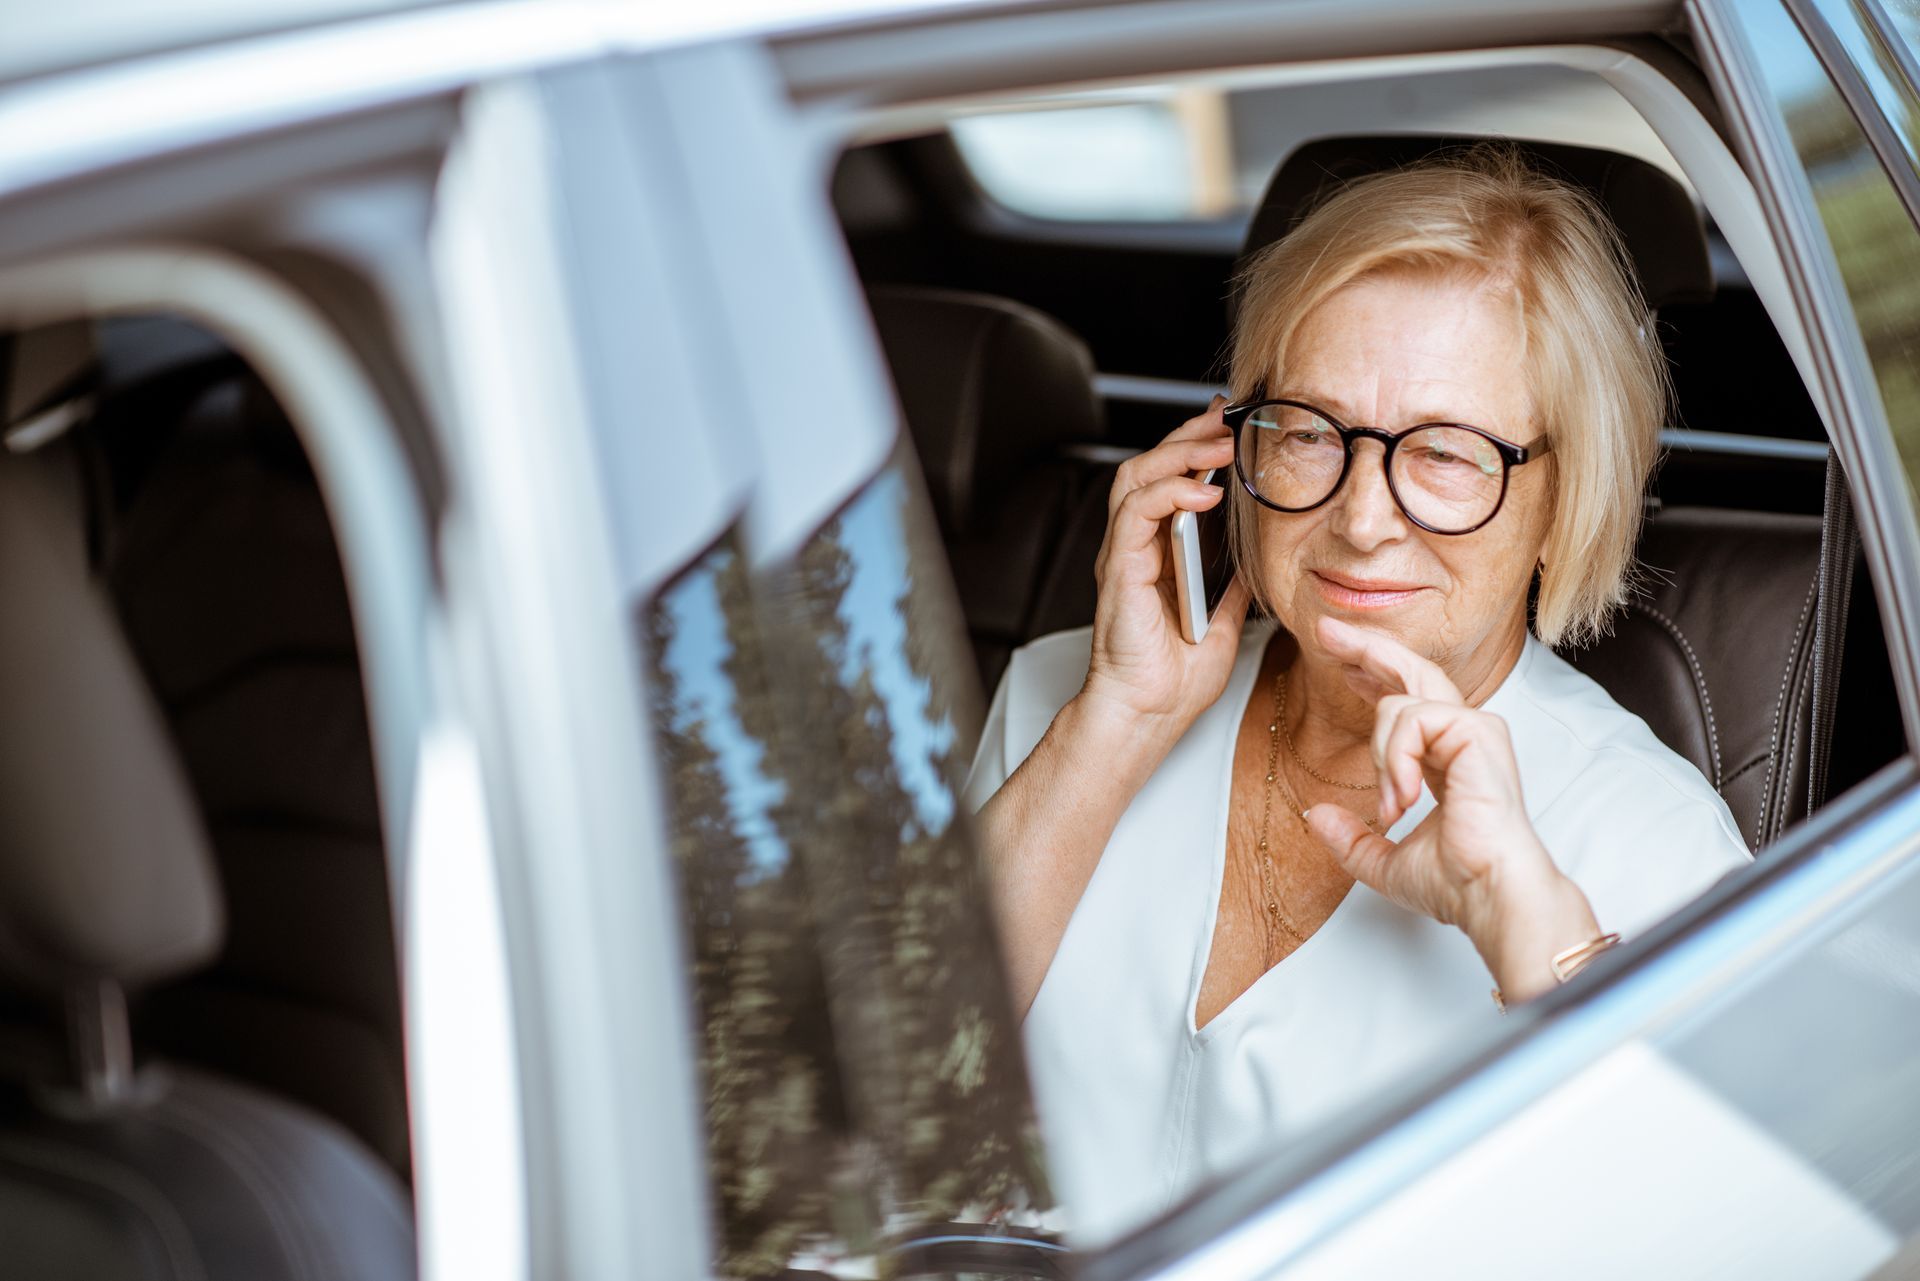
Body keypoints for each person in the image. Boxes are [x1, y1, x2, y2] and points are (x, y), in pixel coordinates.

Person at [962, 147, 1750, 1242]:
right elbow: (885, 1109)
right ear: (1232, 445)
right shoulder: (1068, 696)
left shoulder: (1650, 842)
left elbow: (1700, 1234)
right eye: (1313, 431)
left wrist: (1530, 926)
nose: (1363, 518)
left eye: (1445, 453)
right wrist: (1119, 723)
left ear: (1564, 494)